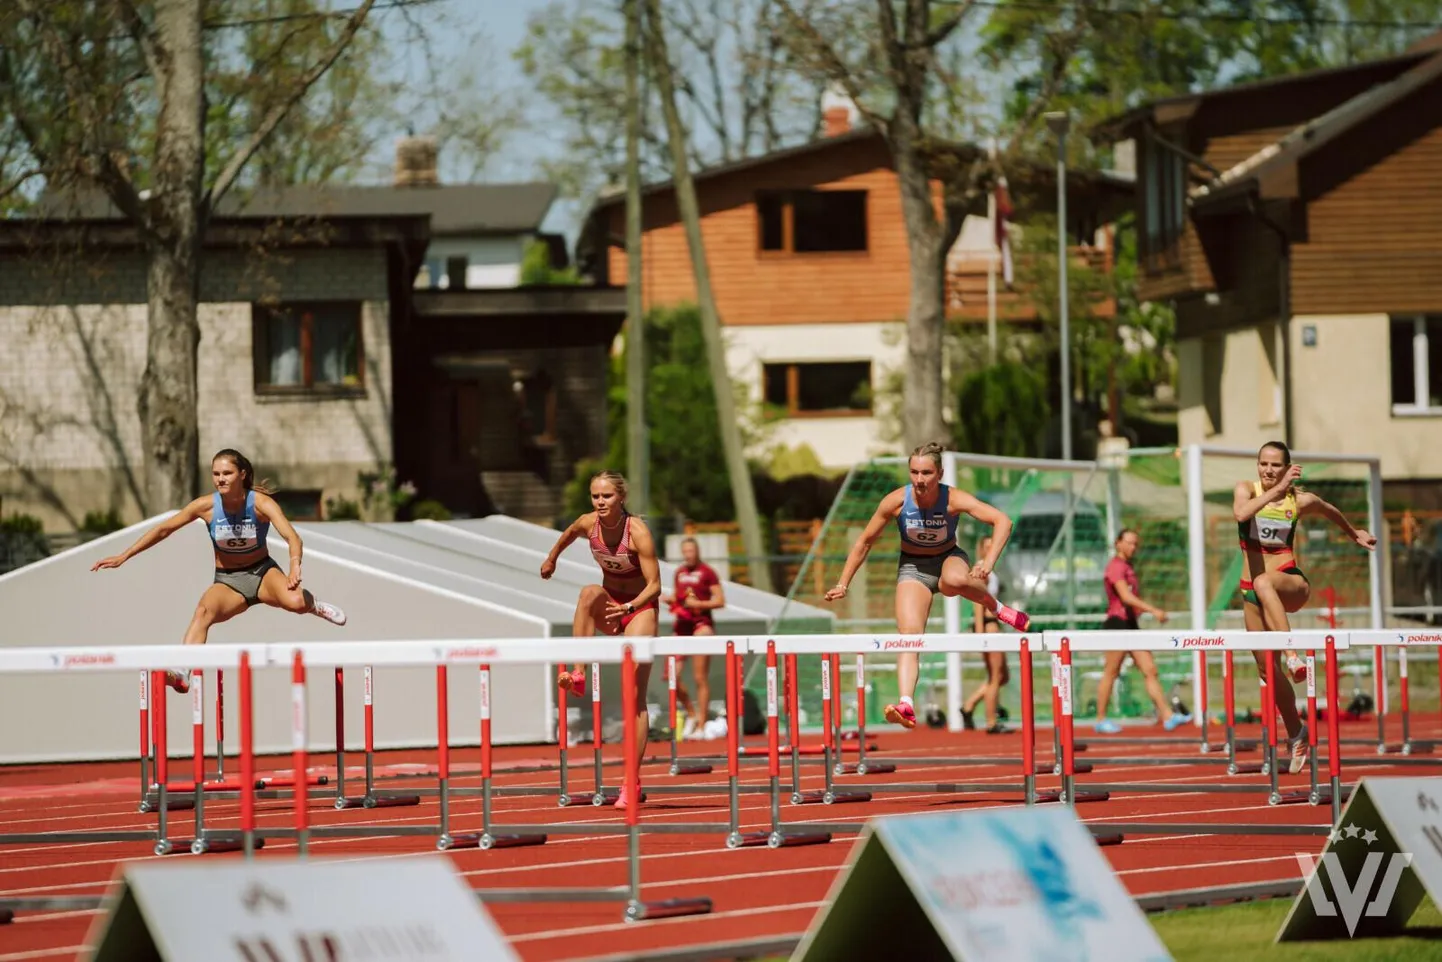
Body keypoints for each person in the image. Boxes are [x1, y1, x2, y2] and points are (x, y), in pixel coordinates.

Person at [91, 449, 347, 693]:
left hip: (262, 573)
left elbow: (293, 537)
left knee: (295, 602)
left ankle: (315, 606)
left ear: (242, 475)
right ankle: (182, 672)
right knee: (203, 612)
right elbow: (163, 530)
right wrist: (124, 555)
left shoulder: (259, 503)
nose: (220, 479)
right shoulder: (206, 507)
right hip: (229, 582)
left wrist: (294, 565)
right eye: (216, 474)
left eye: (227, 473)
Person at [825, 441, 1030, 729]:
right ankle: (906, 703)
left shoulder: (953, 499)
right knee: (908, 635)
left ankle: (997, 607)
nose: (919, 480)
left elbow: (1002, 521)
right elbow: (865, 541)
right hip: (913, 568)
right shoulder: (895, 502)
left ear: (940, 474)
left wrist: (988, 563)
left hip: (949, 560)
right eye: (914, 472)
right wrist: (843, 582)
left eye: (926, 473)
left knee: (955, 580)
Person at [1234, 440, 1377, 773]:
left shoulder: (1298, 500)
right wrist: (1276, 489)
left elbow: (1328, 509)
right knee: (1265, 670)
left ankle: (1293, 654)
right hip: (1251, 593)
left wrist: (1352, 532)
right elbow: (1241, 513)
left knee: (1264, 581)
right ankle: (1297, 732)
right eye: (1263, 464)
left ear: (1287, 467)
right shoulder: (1245, 490)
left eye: (1275, 466)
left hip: (1290, 581)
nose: (1268, 470)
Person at [540, 470, 660, 808]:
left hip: (639, 609)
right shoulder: (587, 523)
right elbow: (566, 535)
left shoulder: (637, 532)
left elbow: (656, 586)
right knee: (589, 592)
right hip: (610, 606)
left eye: (606, 496)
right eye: (595, 496)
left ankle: (630, 782)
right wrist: (552, 559)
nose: (600, 502)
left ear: (621, 497)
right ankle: (579, 672)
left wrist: (631, 606)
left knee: (632, 696)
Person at [1092, 528, 1189, 734]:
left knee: (1150, 669)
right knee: (1111, 671)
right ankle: (1100, 718)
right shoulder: (1115, 567)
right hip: (1117, 624)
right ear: (1118, 543)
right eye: (1128, 543)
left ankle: (1168, 715)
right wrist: (1153, 610)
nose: (1133, 547)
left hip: (1131, 625)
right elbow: (1125, 597)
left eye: (1136, 544)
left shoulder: (1128, 566)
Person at [661, 536, 725, 739]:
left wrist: (699, 605)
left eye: (691, 551)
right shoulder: (679, 572)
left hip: (701, 625)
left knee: (699, 677)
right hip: (682, 625)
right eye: (685, 551)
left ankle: (702, 725)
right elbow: (678, 597)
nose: (688, 554)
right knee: (671, 675)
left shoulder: (708, 573)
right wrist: (670, 599)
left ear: (697, 552)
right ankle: (692, 713)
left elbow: (720, 600)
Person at [961, 535, 1010, 733]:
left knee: (1002, 676)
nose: (992, 551)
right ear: (981, 550)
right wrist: (980, 634)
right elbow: (978, 602)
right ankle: (991, 721)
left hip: (994, 625)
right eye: (987, 547)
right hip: (988, 627)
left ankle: (969, 706)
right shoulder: (982, 569)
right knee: (995, 676)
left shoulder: (990, 569)